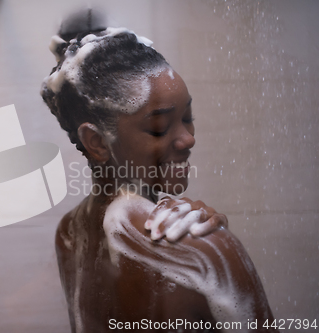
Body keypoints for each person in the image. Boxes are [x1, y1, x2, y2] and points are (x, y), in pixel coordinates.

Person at [41, 13, 276, 333]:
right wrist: (214, 242)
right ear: (96, 142)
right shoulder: (204, 249)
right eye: (160, 126)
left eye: (188, 117)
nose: (188, 138)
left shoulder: (69, 234)